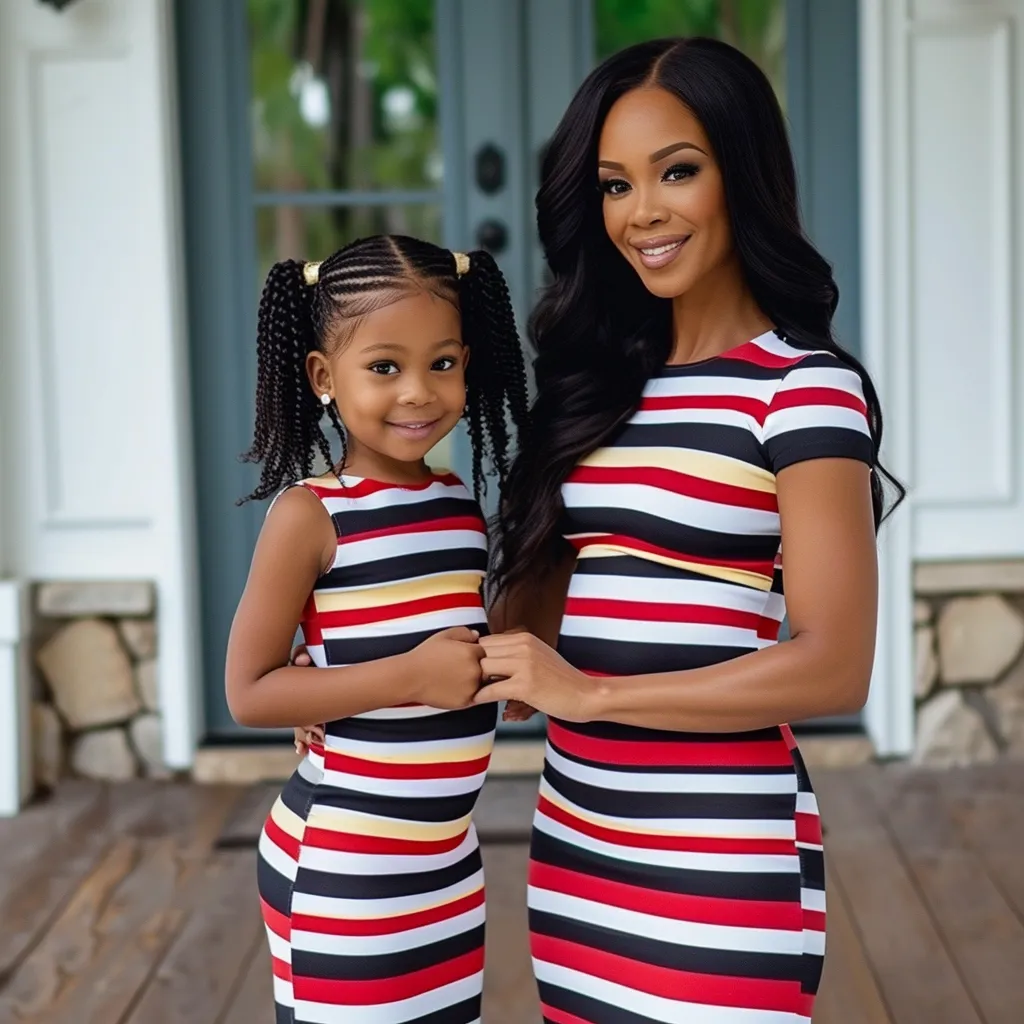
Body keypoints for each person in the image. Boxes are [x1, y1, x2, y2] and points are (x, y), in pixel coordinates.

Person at [474, 37, 904, 1024]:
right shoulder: (593, 391)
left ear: (742, 174)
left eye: (677, 171)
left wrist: (593, 692)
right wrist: (361, 687)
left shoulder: (802, 392)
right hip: (577, 843)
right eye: (615, 185)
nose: (643, 214)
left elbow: (834, 666)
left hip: (718, 850)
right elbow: (524, 644)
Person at [224, 234, 529, 1024]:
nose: (418, 393)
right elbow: (250, 692)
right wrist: (407, 679)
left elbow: (434, 625)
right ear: (324, 378)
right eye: (384, 367)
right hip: (347, 860)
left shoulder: (459, 501)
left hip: (448, 855)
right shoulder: (312, 514)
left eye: (443, 363)